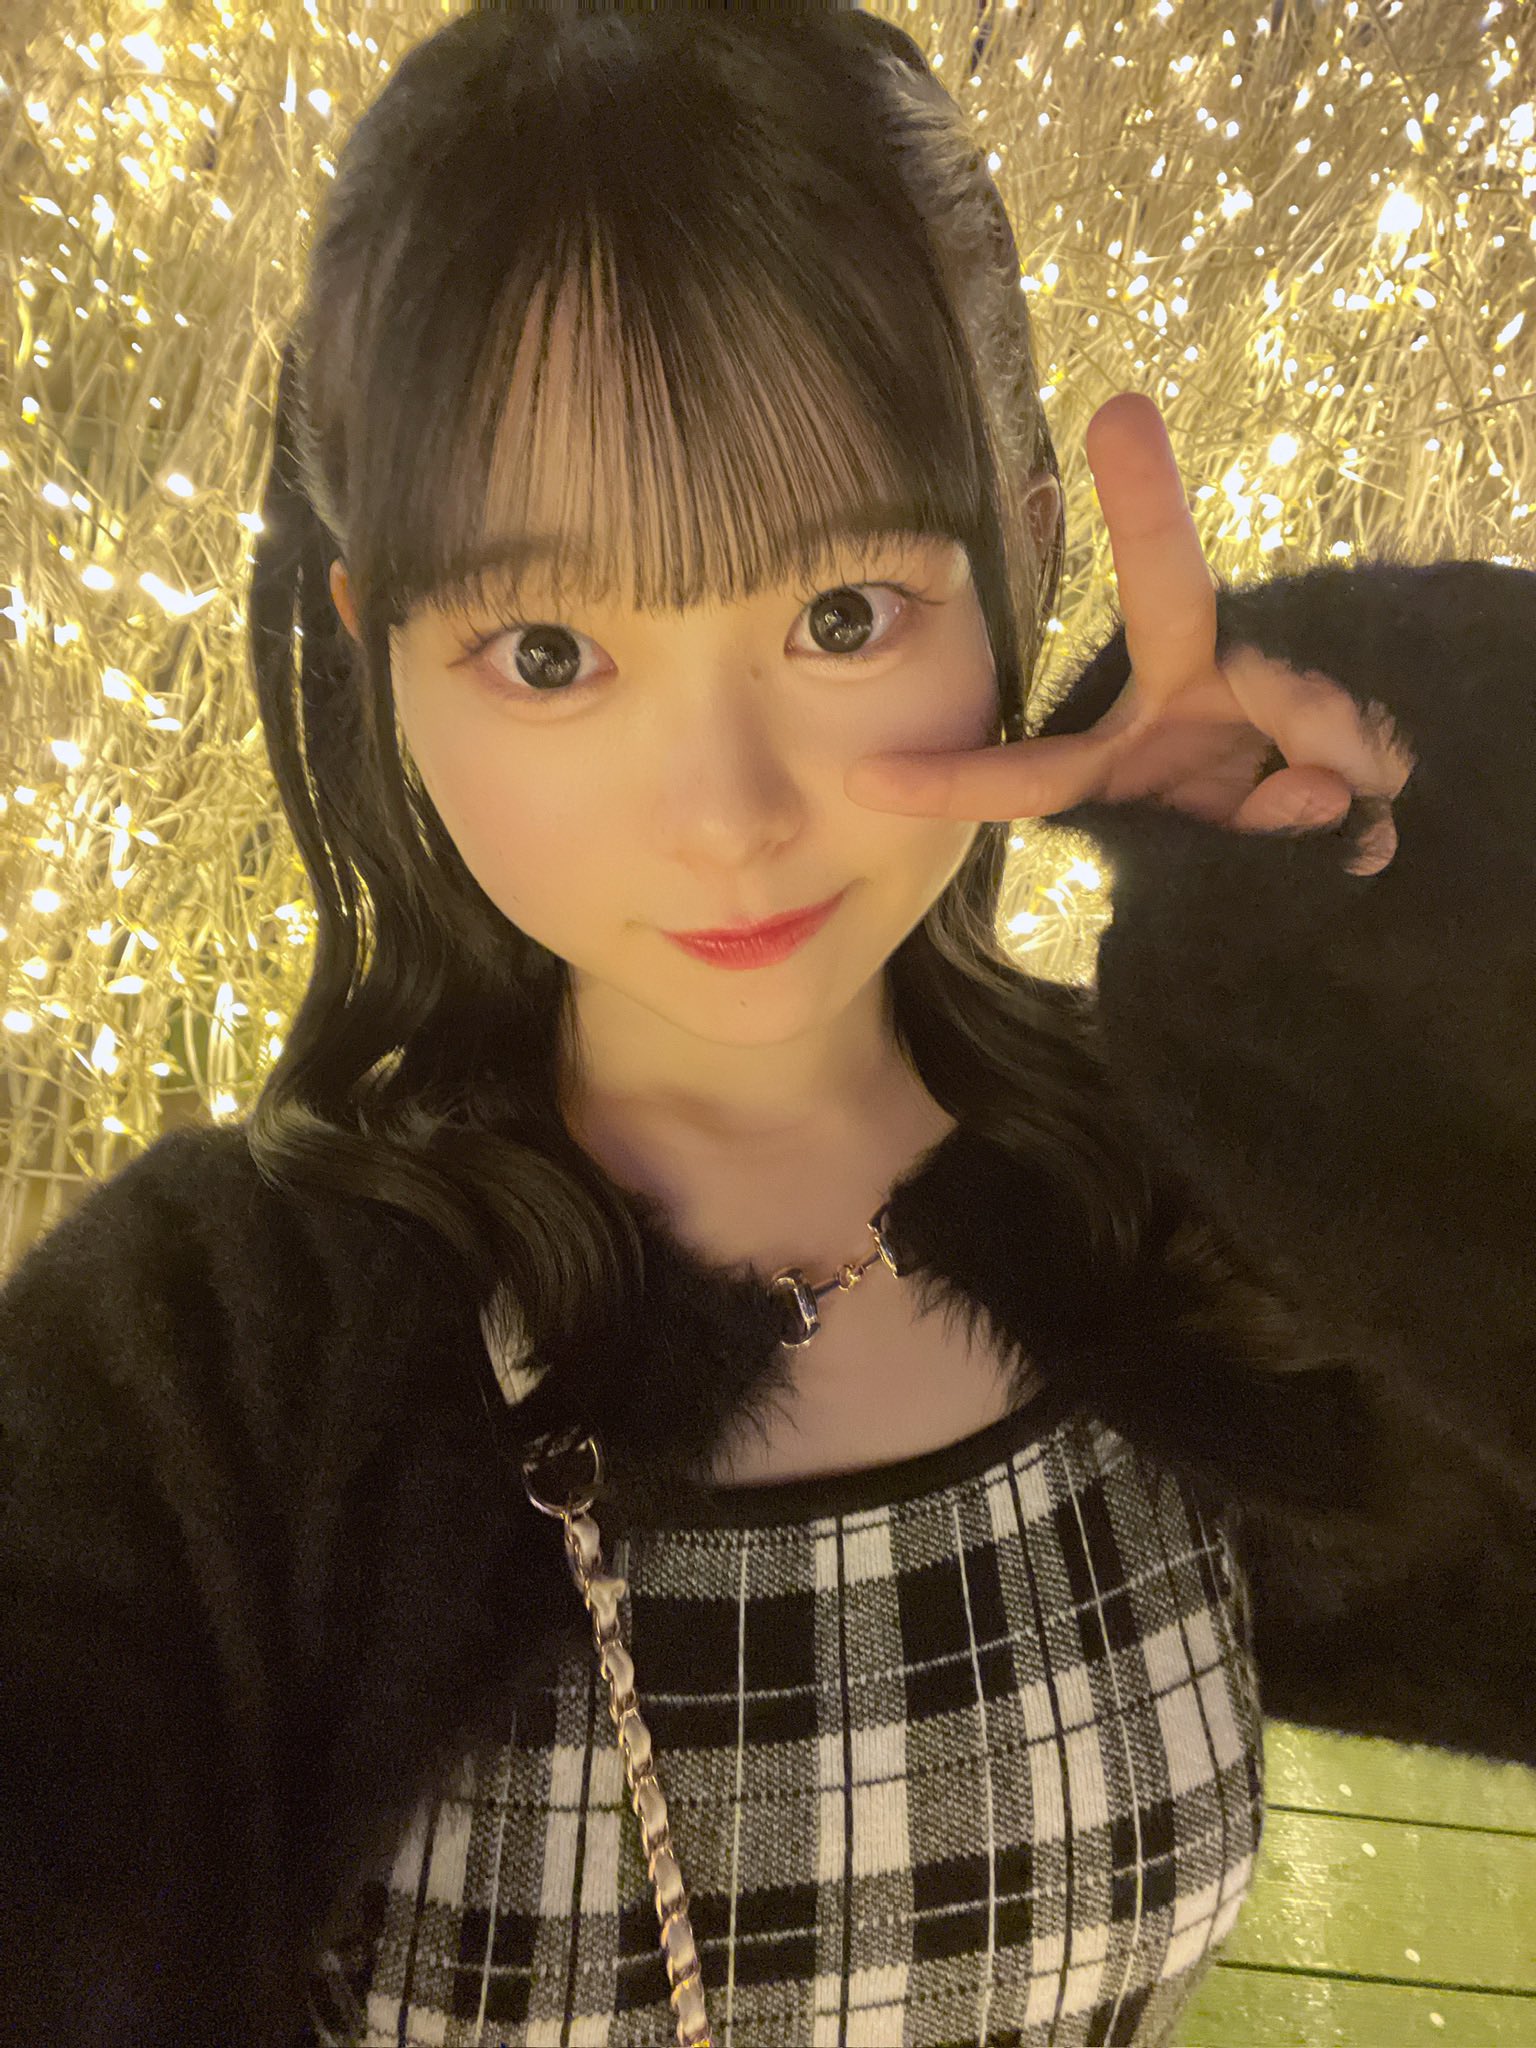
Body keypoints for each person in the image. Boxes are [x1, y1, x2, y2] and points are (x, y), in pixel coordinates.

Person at [2, 5, 1533, 2046]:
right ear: (382, 654)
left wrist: (1406, 888)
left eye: (840, 617)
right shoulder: (215, 1359)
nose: (725, 813)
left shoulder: (1172, 1202)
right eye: (553, 650)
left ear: (1023, 553)